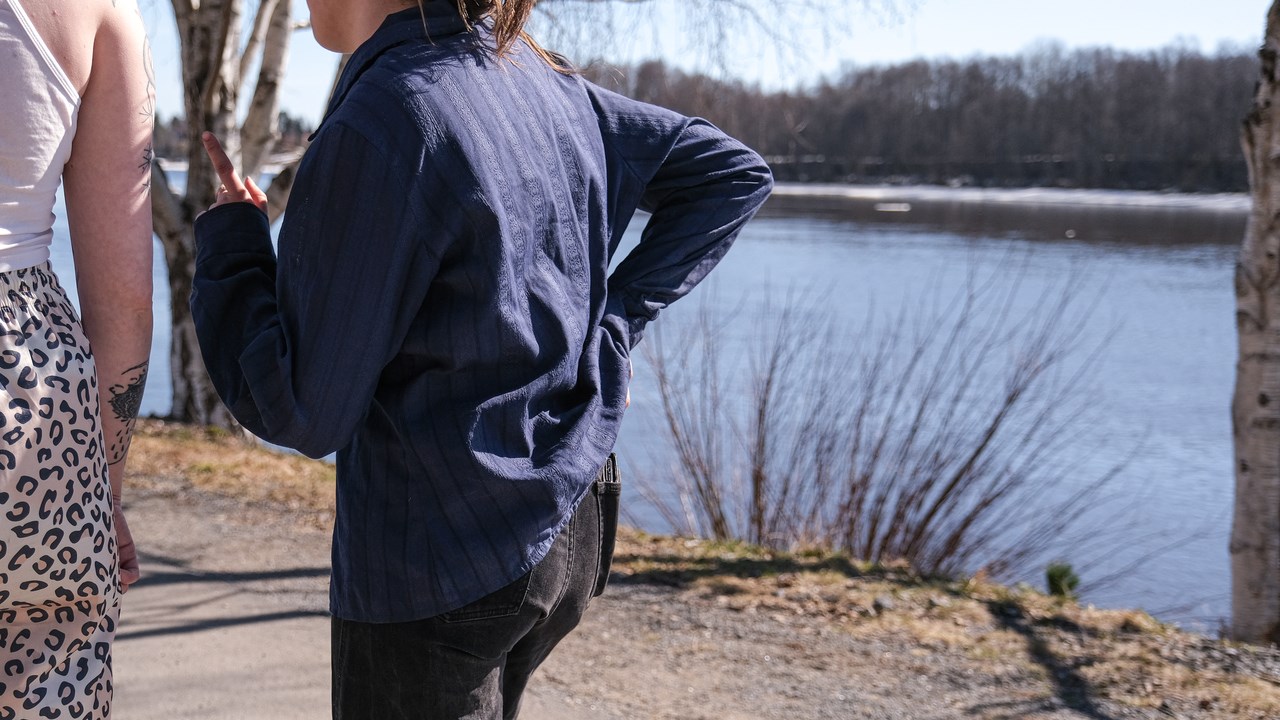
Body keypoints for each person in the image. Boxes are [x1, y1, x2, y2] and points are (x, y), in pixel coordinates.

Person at [190, 0, 770, 717]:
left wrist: (232, 246)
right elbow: (732, 174)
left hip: (438, 552)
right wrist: (611, 323)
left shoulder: (386, 119)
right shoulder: (535, 75)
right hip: (567, 522)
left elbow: (302, 409)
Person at [0, 0, 152, 716]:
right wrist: (103, 490)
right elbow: (123, 308)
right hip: (30, 405)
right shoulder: (99, 10)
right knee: (45, 680)